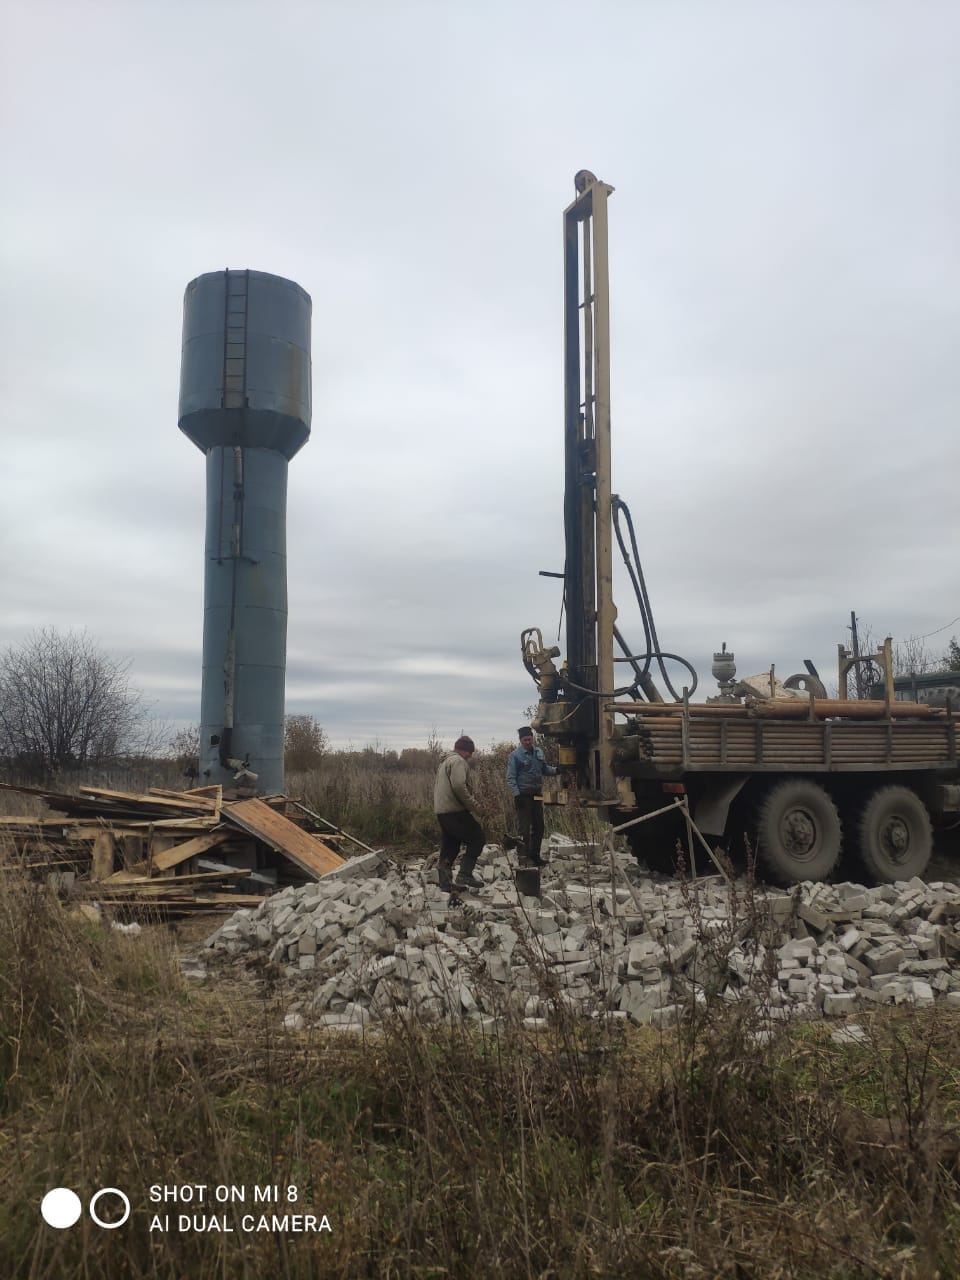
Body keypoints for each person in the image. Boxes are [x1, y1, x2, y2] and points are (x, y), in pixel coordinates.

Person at [433, 735, 486, 891]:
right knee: (477, 838)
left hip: (442, 812)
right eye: (470, 752)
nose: (470, 755)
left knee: (451, 846)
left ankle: (445, 884)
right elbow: (458, 786)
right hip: (454, 810)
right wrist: (474, 806)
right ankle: (465, 874)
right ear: (463, 750)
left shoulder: (445, 762)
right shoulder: (458, 761)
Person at [506, 726, 558, 866]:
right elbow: (511, 778)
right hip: (523, 796)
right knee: (524, 829)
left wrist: (558, 770)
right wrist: (517, 795)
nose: (528, 742)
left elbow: (545, 769)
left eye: (529, 739)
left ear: (532, 738)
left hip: (537, 795)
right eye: (525, 740)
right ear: (521, 740)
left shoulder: (539, 752)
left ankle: (535, 855)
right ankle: (524, 858)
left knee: (539, 826)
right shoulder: (515, 756)